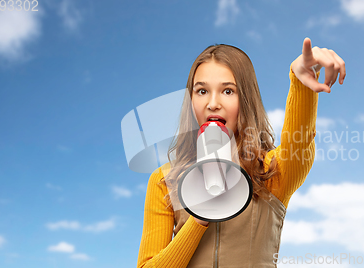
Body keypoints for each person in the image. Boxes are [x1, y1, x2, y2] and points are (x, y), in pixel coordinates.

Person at [137, 37, 346, 268]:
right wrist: (199, 218)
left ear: (246, 99)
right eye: (202, 91)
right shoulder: (165, 180)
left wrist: (301, 83)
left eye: (228, 91)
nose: (213, 103)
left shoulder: (271, 172)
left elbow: (300, 142)